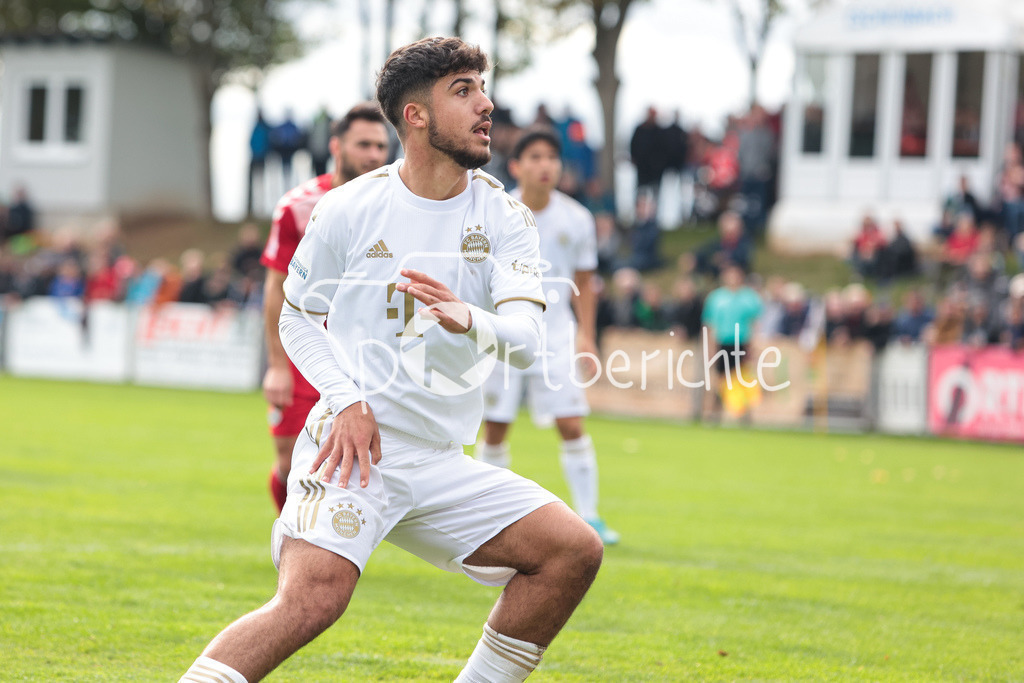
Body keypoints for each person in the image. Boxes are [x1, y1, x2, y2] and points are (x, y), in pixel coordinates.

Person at [180, 37, 603, 683]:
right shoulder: (348, 208)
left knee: (573, 551)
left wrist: (473, 318)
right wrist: (345, 400)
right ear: (416, 115)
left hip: (440, 458)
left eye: (482, 88)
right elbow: (298, 316)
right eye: (463, 90)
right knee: (313, 598)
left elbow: (526, 339)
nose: (486, 104)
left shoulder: (508, 217)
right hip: (351, 447)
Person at [476, 129, 619, 545]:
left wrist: (587, 337)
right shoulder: (496, 210)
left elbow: (585, 281)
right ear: (517, 166)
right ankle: (488, 515)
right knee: (496, 427)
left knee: (572, 424)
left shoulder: (577, 218)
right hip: (503, 332)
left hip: (556, 336)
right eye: (535, 157)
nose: (546, 165)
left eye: (552, 158)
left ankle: (590, 516)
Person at [260, 103, 390, 513]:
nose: (374, 155)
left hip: (361, 354)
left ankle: (323, 554)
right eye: (364, 144)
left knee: (351, 461)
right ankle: (292, 539)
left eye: (381, 147)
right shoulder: (297, 206)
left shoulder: (392, 204)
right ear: (336, 146)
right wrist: (278, 364)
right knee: (288, 461)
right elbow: (277, 286)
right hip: (305, 346)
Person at [247, 110, 272, 217]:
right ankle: (252, 208)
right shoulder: (258, 127)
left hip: (261, 159)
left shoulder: (264, 128)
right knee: (253, 184)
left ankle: (260, 208)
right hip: (255, 158)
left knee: (261, 184)